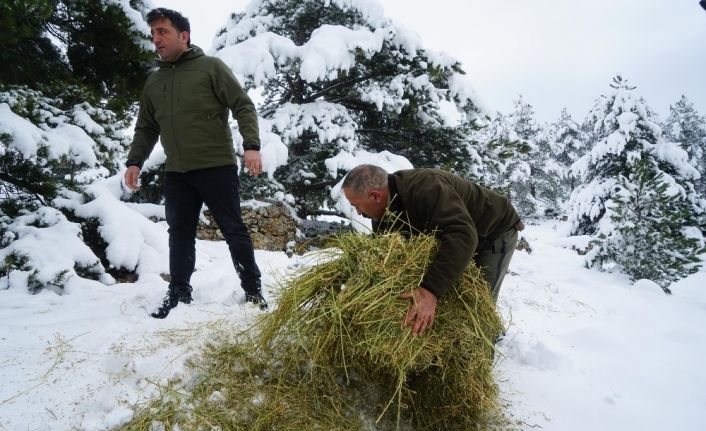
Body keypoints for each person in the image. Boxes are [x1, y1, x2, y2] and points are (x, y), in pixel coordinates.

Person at [124, 8, 267, 318]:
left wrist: (251, 145)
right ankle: (178, 292)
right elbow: (146, 127)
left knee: (233, 229)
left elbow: (243, 105)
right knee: (179, 233)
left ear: (183, 35)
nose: (156, 40)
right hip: (177, 171)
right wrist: (135, 161)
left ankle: (253, 290)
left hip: (215, 165)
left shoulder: (210, 68)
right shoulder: (154, 82)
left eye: (162, 32)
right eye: (153, 34)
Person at [342, 164, 523, 336]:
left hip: (492, 232)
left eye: (356, 205)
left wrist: (430, 291)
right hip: (460, 235)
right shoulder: (382, 209)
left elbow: (463, 236)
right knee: (450, 292)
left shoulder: (425, 188)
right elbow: (387, 251)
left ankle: (483, 348)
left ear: (375, 196)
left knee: (477, 305)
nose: (358, 212)